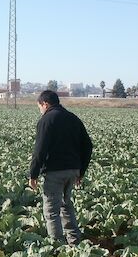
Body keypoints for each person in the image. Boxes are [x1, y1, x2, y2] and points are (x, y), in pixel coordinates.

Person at [29, 90, 93, 245]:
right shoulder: (73, 118)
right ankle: (74, 240)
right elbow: (88, 145)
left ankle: (57, 245)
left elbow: (40, 150)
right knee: (66, 205)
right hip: (73, 170)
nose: (41, 111)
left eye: (40, 107)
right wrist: (81, 171)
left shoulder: (47, 120)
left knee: (51, 210)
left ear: (45, 104)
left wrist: (33, 174)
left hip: (55, 172)